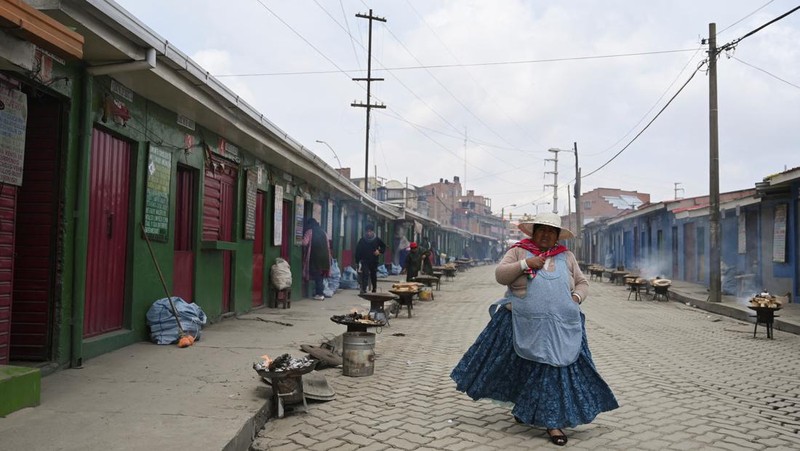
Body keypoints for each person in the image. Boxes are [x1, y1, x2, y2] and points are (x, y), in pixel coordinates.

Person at [450, 212, 618, 446]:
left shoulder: (566, 256)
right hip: (521, 323)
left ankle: (553, 422)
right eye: (542, 229)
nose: (546, 234)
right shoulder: (518, 250)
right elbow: (500, 275)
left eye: (552, 231)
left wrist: (576, 298)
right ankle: (526, 408)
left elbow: (582, 282)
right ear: (534, 231)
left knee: (552, 368)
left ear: (558, 235)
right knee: (524, 368)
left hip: (559, 327)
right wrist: (525, 263)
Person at [302, 217, 331, 301]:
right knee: (320, 276)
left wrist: (298, 239)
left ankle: (319, 294)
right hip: (324, 258)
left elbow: (305, 243)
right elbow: (328, 245)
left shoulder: (309, 232)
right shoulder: (323, 232)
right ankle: (319, 293)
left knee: (317, 276)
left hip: (314, 258)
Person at [355, 223, 386, 294]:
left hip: (374, 260)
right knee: (365, 274)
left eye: (370, 231)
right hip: (364, 260)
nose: (368, 233)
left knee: (373, 274)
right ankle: (364, 289)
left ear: (373, 231)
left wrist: (379, 251)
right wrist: (357, 261)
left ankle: (374, 288)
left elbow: (383, 246)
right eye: (367, 231)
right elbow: (358, 251)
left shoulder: (376, 239)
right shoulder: (362, 240)